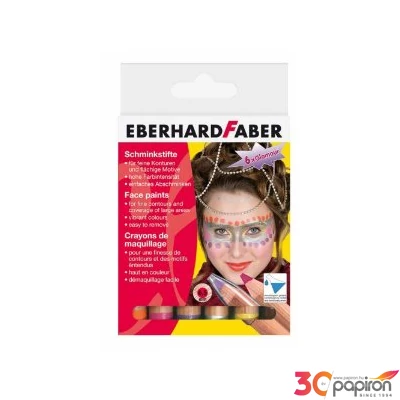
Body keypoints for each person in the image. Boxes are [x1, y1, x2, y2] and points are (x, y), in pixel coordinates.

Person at [186, 142, 290, 307]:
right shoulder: (181, 304)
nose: (236, 253)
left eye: (253, 230)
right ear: (200, 229)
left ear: (278, 227)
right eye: (221, 231)